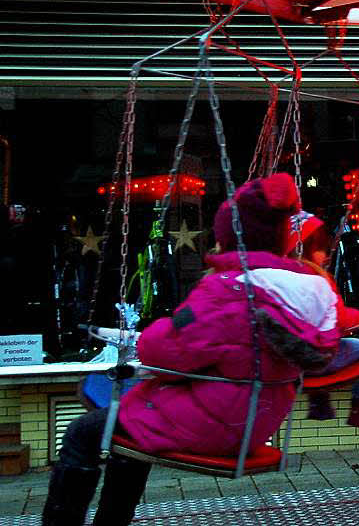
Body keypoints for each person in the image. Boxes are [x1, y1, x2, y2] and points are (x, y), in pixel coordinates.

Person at [42, 173, 339, 526]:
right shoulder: (309, 291)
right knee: (124, 436)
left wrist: (161, 329)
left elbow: (160, 351)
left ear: (230, 238)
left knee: (84, 431)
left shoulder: (229, 290)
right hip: (256, 421)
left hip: (216, 424)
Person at [287, 211, 359, 426]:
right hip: (318, 358)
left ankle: (319, 401)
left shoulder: (280, 274)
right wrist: (358, 318)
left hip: (294, 360)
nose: (326, 254)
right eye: (321, 248)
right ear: (309, 249)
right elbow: (337, 316)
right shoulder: (317, 279)